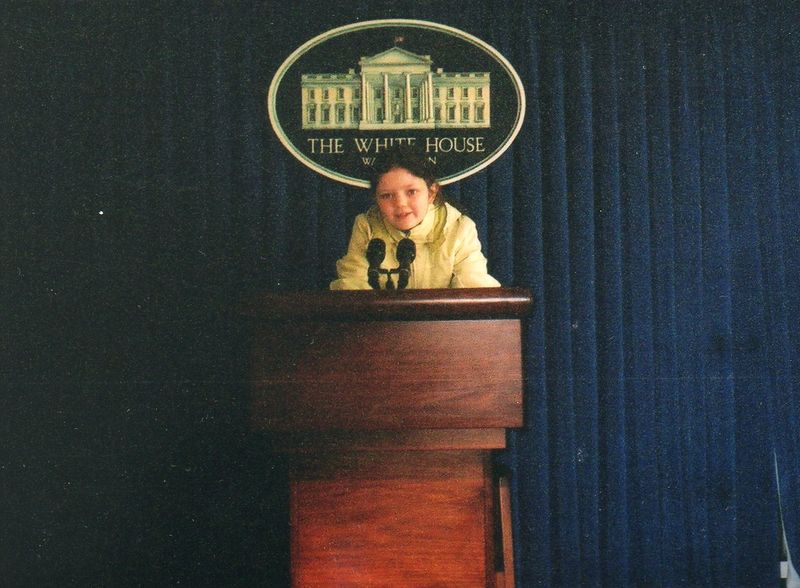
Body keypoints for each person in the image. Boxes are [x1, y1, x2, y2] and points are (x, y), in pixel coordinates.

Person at [330, 146, 500, 290]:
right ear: (376, 199)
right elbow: (353, 286)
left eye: (411, 192)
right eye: (387, 196)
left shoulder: (460, 228)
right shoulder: (366, 226)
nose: (400, 204)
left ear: (431, 193)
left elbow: (474, 289)